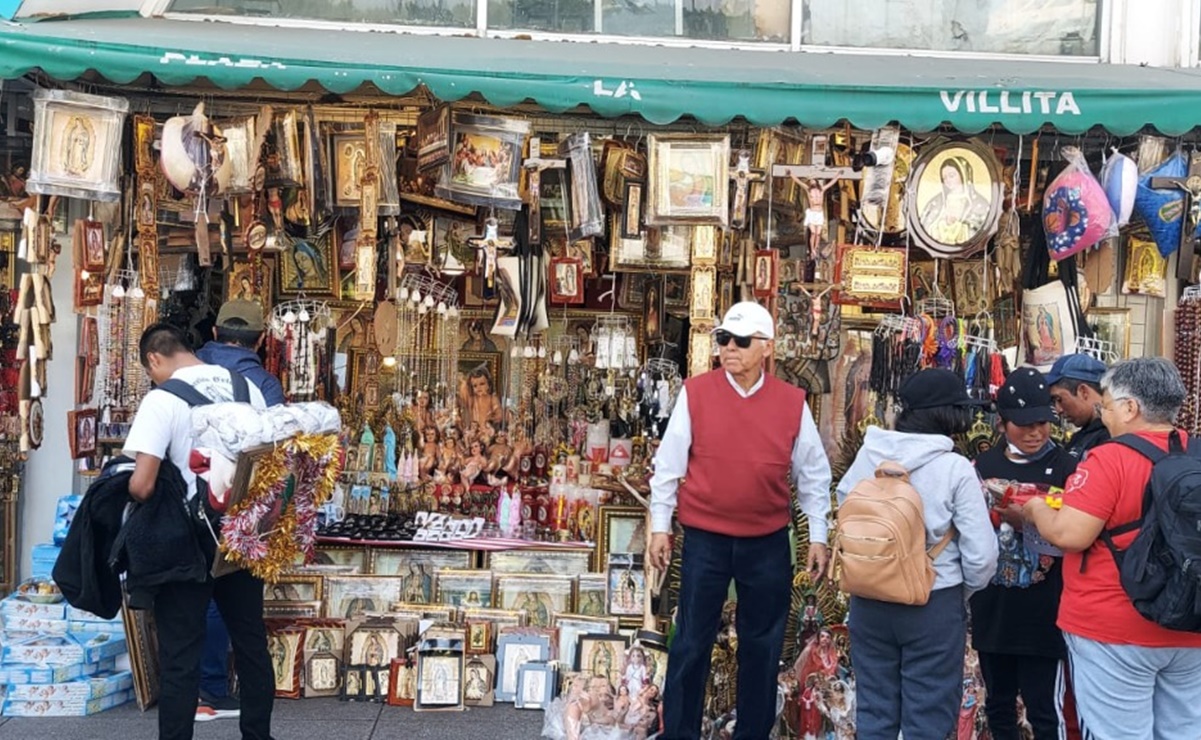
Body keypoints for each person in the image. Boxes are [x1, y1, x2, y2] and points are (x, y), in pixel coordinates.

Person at [649, 301, 832, 740]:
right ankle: (680, 734)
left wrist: (819, 536)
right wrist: (660, 525)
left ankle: (752, 732)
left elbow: (813, 474)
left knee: (763, 647)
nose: (729, 349)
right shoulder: (697, 392)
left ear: (766, 348)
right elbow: (669, 464)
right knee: (691, 641)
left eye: (740, 341)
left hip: (766, 541)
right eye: (723, 340)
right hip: (704, 538)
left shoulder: (791, 403)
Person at [1023, 358, 1201, 739]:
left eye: (1107, 404)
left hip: (1113, 628)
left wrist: (1036, 510)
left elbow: (1071, 534)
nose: (1103, 414)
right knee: (1185, 730)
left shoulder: (1109, 459)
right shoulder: (1196, 454)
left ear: (1131, 408)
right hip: (1190, 622)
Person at [123, 323, 273, 740]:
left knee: (180, 654)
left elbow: (143, 483)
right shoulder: (249, 388)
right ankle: (258, 735)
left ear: (154, 358)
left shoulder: (163, 399)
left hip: (186, 543)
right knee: (250, 642)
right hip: (242, 534)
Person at [834, 368, 998, 739]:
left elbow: (845, 510)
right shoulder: (954, 467)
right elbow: (982, 557)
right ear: (948, 414)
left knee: (874, 711)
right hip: (932, 603)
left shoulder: (868, 456)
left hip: (869, 599)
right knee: (928, 716)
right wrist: (960, 590)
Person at [194, 300, 286, 722]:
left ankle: (200, 691)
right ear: (262, 340)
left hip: (188, 499)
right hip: (240, 504)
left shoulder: (184, 373)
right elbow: (275, 451)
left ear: (214, 332)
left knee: (195, 595)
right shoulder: (263, 385)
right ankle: (217, 692)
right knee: (238, 604)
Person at [971, 368, 1075, 740]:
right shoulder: (982, 466)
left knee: (1044, 708)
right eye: (1023, 424)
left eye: (1042, 423)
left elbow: (1076, 536)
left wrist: (1027, 521)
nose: (1035, 433)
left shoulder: (1067, 467)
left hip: (1045, 612)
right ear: (1001, 424)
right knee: (998, 704)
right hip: (993, 607)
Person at [1046, 353, 1110, 461]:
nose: (1058, 410)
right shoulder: (1084, 436)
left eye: (1059, 399)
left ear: (1083, 391)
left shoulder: (1110, 438)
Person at [920, 156, 992, 245]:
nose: (948, 181)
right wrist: (942, 224)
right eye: (944, 178)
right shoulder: (937, 202)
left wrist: (959, 226)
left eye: (951, 176)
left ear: (963, 175)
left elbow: (981, 230)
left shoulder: (979, 203)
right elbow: (926, 227)